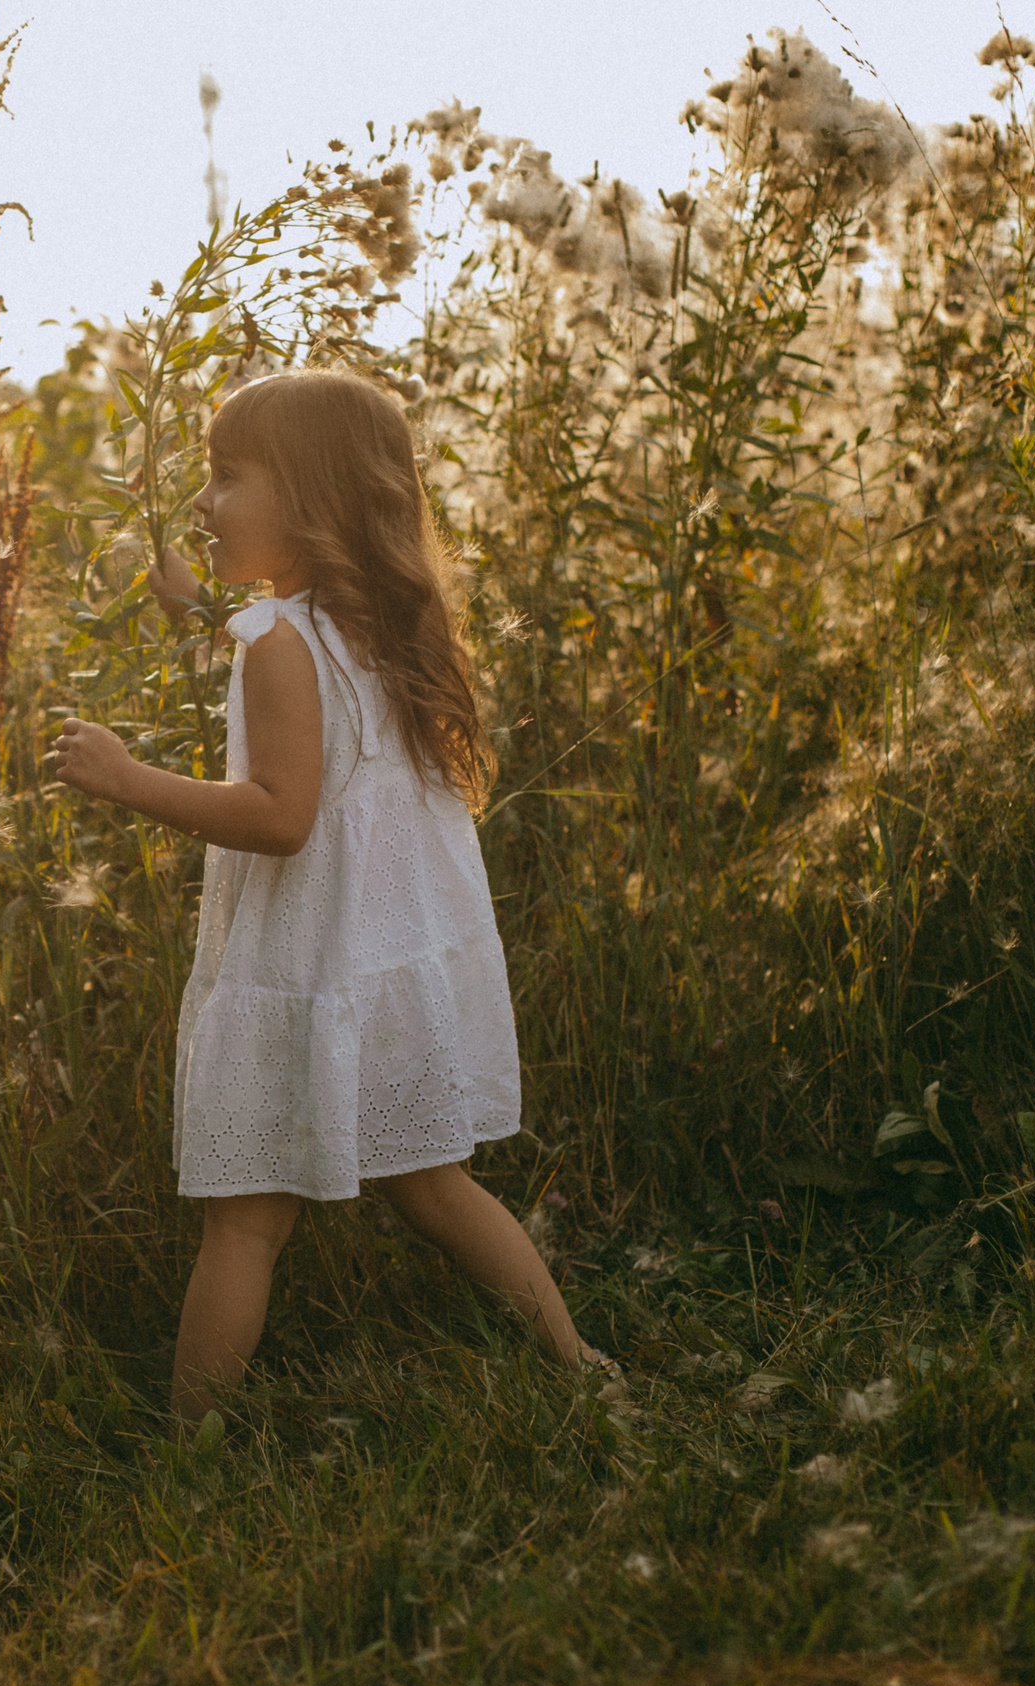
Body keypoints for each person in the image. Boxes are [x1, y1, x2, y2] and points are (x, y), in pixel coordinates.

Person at [49, 369, 610, 1423]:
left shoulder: (277, 644)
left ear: (306, 502)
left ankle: (187, 1450)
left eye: (225, 477)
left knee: (245, 1224)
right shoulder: (381, 626)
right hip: (389, 964)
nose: (203, 504)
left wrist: (127, 780)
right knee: (439, 1188)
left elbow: (280, 814)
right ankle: (577, 1365)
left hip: (304, 970)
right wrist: (208, 608)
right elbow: (293, 653)